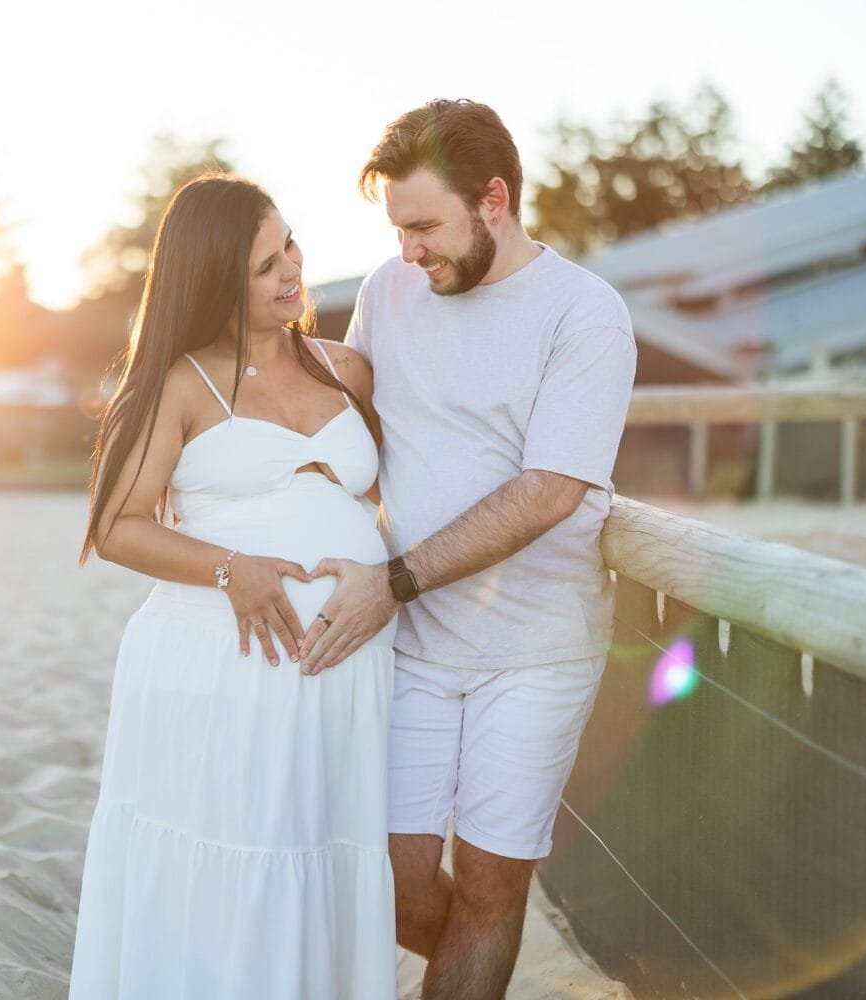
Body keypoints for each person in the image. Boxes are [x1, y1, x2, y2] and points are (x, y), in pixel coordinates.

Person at [297, 99, 637, 999]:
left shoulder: (585, 314)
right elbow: (354, 414)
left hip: (535, 650)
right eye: (397, 228)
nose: (408, 250)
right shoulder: (389, 288)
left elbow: (548, 491)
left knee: (492, 886)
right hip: (409, 643)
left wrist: (393, 580)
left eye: (422, 226)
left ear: (494, 199)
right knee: (390, 875)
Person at [68, 174, 398, 999]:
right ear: (215, 280)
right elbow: (118, 527)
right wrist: (230, 568)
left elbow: (389, 502)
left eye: (290, 244)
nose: (292, 270)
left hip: (341, 669)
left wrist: (384, 573)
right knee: (222, 871)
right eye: (264, 265)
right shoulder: (180, 382)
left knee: (319, 856)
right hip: (222, 664)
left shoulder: (347, 368)